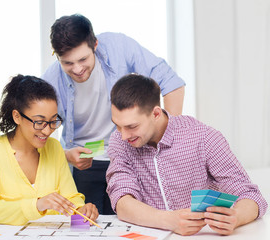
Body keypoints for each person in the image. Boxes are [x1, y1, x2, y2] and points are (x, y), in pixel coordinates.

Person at [41, 14, 186, 215]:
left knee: (132, 221)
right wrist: (66, 156)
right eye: (67, 63)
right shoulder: (50, 80)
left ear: (95, 45)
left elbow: (172, 83)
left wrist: (167, 140)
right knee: (86, 225)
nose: (77, 69)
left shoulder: (119, 47)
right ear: (56, 56)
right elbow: (37, 135)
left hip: (129, 155)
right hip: (84, 164)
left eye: (83, 59)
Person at [106, 73, 268, 236]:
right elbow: (122, 201)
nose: (123, 135)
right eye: (118, 126)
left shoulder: (204, 138)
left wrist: (236, 217)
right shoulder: (119, 142)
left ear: (156, 114)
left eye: (131, 126)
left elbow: (251, 197)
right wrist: (170, 221)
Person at [0, 74, 98, 225]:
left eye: (53, 121)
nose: (47, 131)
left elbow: (70, 196)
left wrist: (81, 209)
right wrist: (37, 204)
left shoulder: (54, 147)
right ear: (17, 116)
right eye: (39, 122)